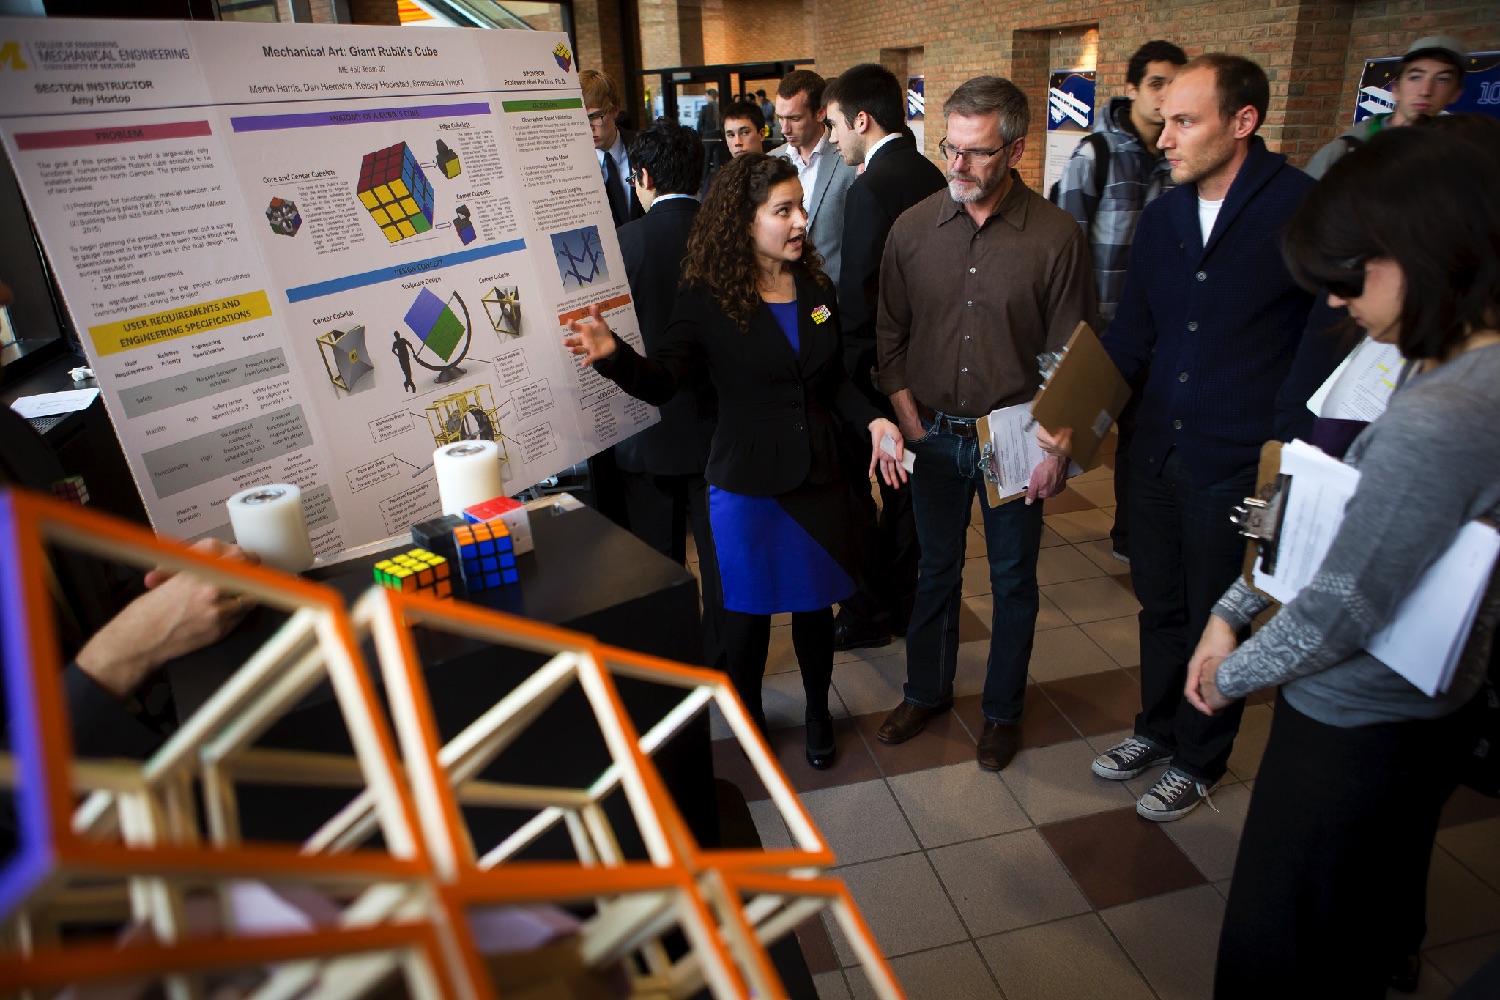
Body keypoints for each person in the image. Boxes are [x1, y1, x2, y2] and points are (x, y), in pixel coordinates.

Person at [1185, 125, 1498, 998]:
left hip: (1359, 725)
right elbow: (1322, 513)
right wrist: (1231, 605)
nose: (1333, 303)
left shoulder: (1446, 414)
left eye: (1350, 277)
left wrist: (1231, 668)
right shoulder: (1444, 366)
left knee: (1285, 948)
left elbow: (1342, 602)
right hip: (1418, 710)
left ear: (1425, 251)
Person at [564, 154, 906, 771]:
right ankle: (747, 718)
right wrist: (614, 355)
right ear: (745, 223)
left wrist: (876, 419)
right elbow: (664, 380)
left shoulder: (816, 289)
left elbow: (831, 384)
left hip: (819, 477)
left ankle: (817, 712)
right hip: (747, 484)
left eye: (801, 206)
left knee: (812, 607)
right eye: (784, 210)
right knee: (744, 615)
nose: (801, 220)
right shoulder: (707, 301)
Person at [1086, 54, 1316, 821]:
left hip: (1237, 462)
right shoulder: (1166, 215)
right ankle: (1155, 730)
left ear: (1243, 122)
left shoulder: (1301, 211)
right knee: (1161, 607)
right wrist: (1069, 416)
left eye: (1185, 122)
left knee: (1222, 616)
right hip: (1154, 451)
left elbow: (1321, 349)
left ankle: (1199, 758)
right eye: (1164, 120)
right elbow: (1131, 337)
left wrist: (1284, 458)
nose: (1165, 139)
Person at [873, 76, 1097, 772]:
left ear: (1017, 150)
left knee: (1012, 581)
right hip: (931, 433)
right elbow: (889, 334)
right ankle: (926, 691)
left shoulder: (1056, 237)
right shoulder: (912, 229)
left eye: (976, 152)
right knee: (935, 569)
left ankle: (1001, 712)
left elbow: (1071, 354)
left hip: (1012, 436)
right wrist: (906, 414)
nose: (958, 165)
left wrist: (1059, 447)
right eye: (950, 148)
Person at [0, 280, 259, 765]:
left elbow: (79, 583)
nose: (6, 298)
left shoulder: (10, 433)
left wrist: (158, 594)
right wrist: (124, 652)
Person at [822, 62, 947, 651]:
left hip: (874, 369)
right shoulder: (930, 172)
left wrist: (842, 377)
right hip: (926, 367)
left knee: (858, 491)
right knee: (907, 494)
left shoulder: (868, 188)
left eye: (835, 125)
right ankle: (903, 602)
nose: (833, 138)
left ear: (862, 119)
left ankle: (869, 608)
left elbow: (860, 292)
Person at [1055, 39, 1189, 567]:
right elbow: (1069, 247)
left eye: (1173, 88)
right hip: (1103, 330)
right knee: (1069, 433)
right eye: (1155, 84)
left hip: (1161, 334)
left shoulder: (1180, 161)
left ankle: (1132, 534)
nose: (1163, 99)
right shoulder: (1098, 154)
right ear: (1131, 88)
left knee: (1143, 437)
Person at [613, 120, 724, 671]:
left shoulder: (625, 244)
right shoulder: (728, 237)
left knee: (659, 565)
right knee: (722, 563)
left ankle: (675, 669)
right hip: (718, 431)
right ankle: (726, 664)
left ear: (645, 176)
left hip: (646, 428)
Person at [1303, 34, 1466, 180]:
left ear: (1456, 93)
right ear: (1396, 89)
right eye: (1416, 77)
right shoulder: (1344, 151)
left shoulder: (1457, 160)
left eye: (1442, 79)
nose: (1426, 91)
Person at [771, 70, 857, 287]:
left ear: (820, 113)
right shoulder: (771, 161)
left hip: (835, 294)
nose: (784, 129)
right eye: (780, 118)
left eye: (794, 118)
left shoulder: (849, 160)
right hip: (785, 292)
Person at [581, 69, 642, 227]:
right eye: (579, 119)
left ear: (615, 110)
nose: (588, 128)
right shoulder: (570, 163)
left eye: (594, 117)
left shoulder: (645, 147)